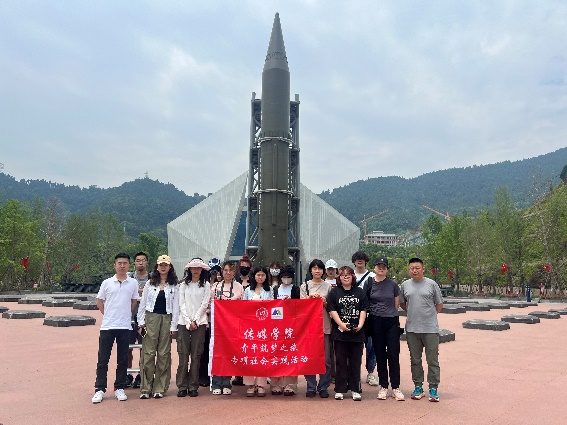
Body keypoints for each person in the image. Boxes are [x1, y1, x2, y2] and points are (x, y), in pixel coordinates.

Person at [92, 253, 140, 404]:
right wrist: (108, 315)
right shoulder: (107, 283)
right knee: (103, 359)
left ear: (129, 265)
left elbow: (134, 302)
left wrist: (124, 314)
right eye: (119, 263)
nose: (122, 266)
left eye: (125, 263)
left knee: (123, 359)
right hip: (107, 326)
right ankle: (100, 389)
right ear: (115, 265)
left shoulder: (133, 283)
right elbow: (99, 302)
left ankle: (119, 387)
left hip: (125, 326)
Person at [400, 257, 443, 402]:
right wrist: (414, 313)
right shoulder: (405, 285)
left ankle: (433, 388)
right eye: (412, 268)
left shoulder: (431, 284)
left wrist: (429, 316)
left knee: (432, 360)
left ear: (423, 269)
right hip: (412, 329)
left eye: (417, 268)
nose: (415, 270)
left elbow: (439, 304)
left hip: (430, 329)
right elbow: (403, 304)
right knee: (415, 360)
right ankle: (418, 386)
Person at [137, 255, 179, 399]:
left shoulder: (174, 285)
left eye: (166, 265)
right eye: (161, 265)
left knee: (163, 354)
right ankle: (145, 388)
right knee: (148, 353)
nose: (163, 267)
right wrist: (141, 322)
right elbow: (143, 304)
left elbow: (176, 307)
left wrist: (173, 326)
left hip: (167, 319)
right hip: (151, 319)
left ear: (170, 267)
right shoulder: (150, 284)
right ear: (157, 266)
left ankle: (160, 387)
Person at [327, 265, 368, 401]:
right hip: (340, 333)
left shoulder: (360, 292)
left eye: (348, 275)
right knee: (340, 361)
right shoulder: (334, 292)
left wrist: (360, 324)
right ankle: (340, 389)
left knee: (355, 362)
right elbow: (332, 310)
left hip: (357, 333)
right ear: (339, 277)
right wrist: (341, 324)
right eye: (343, 275)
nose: (345, 277)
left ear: (353, 277)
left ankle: (355, 389)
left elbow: (363, 309)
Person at [366, 257, 404, 401]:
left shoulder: (393, 284)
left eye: (384, 266)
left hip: (391, 321)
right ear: (374, 268)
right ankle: (383, 386)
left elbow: (396, 304)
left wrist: (389, 314)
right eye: (379, 266)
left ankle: (395, 387)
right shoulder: (369, 283)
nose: (381, 268)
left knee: (393, 354)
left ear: (387, 269)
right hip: (375, 321)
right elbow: (366, 302)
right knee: (380, 354)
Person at [176, 258, 211, 398]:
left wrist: (195, 320)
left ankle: (193, 385)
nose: (196, 270)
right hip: (183, 322)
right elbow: (181, 304)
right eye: (193, 268)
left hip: (200, 322)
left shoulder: (206, 285)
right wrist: (188, 321)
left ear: (202, 270)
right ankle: (182, 386)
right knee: (183, 354)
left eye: (198, 268)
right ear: (189, 269)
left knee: (196, 355)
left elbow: (205, 304)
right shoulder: (183, 285)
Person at [210, 261, 244, 395]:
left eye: (230, 270)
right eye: (225, 270)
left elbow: (243, 306)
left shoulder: (239, 287)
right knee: (217, 353)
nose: (228, 273)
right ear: (222, 272)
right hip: (217, 326)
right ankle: (216, 383)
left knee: (229, 353)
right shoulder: (215, 287)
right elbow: (210, 304)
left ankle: (226, 382)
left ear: (234, 272)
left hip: (232, 326)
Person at [301, 259, 332, 398]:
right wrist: (309, 299)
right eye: (314, 268)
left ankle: (324, 386)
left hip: (324, 326)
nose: (317, 271)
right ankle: (311, 386)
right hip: (309, 328)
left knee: (326, 359)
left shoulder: (328, 287)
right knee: (310, 357)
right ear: (311, 271)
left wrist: (325, 303)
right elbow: (301, 308)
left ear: (323, 270)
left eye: (319, 268)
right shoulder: (305, 286)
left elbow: (332, 307)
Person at [242, 266, 274, 397]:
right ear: (254, 276)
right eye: (258, 275)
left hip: (264, 327)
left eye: (263, 275)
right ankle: (250, 384)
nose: (260, 277)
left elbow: (273, 306)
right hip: (250, 327)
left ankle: (261, 385)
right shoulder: (247, 290)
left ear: (266, 276)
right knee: (250, 355)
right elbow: (242, 307)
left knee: (262, 356)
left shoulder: (270, 290)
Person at [271, 265, 300, 396]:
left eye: (289, 277)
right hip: (277, 326)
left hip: (291, 326)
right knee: (276, 354)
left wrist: (291, 301)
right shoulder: (275, 289)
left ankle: (290, 385)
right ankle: (275, 384)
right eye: (284, 277)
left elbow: (300, 306)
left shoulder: (295, 289)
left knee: (291, 355)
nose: (286, 279)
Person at [352, 251, 378, 387]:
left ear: (366, 261)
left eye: (362, 258)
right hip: (352, 316)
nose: (360, 260)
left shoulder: (373, 277)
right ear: (354, 261)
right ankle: (353, 374)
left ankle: (370, 373)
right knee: (353, 347)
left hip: (370, 317)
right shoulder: (349, 275)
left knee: (371, 346)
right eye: (357, 258)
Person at [126, 251, 151, 388]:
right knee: (127, 348)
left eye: (143, 260)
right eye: (138, 260)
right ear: (134, 263)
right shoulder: (128, 277)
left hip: (146, 321)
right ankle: (128, 374)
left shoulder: (153, 278)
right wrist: (141, 291)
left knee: (144, 348)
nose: (140, 263)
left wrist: (137, 291)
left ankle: (142, 375)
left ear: (147, 262)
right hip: (129, 319)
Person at [198, 259, 221, 387]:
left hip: (217, 321)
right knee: (204, 349)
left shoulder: (220, 285)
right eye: (212, 270)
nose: (214, 272)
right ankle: (202, 375)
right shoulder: (204, 284)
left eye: (217, 270)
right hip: (204, 320)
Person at [325, 259, 339, 382]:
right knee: (328, 349)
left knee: (338, 349)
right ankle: (329, 374)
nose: (331, 271)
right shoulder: (323, 283)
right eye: (329, 269)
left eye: (332, 269)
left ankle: (338, 374)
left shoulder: (340, 283)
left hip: (338, 320)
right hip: (326, 319)